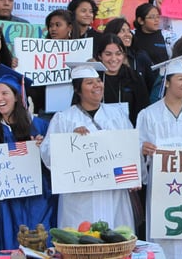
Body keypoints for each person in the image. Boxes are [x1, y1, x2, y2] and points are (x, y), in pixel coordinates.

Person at [40, 62, 135, 231]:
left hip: (113, 194)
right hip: (79, 198)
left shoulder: (116, 116)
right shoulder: (64, 119)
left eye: (98, 81)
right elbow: (48, 155)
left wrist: (133, 176)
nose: (97, 86)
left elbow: (130, 148)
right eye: (89, 83)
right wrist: (70, 140)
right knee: (82, 241)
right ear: (78, 90)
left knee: (116, 240)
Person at [136, 57, 182, 259]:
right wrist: (143, 149)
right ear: (167, 82)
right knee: (166, 228)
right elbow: (138, 144)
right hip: (163, 185)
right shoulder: (148, 114)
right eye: (180, 79)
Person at [0, 65, 57, 257]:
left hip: (40, 201)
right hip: (6, 204)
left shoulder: (39, 126)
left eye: (5, 93)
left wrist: (44, 149)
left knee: (40, 246)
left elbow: (55, 164)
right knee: (9, 245)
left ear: (16, 96)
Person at [95, 33, 149, 126]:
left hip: (129, 133)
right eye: (108, 54)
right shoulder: (93, 78)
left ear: (124, 55)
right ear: (100, 56)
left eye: (118, 54)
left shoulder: (134, 77)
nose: (113, 59)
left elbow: (143, 109)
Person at [103, 17, 156, 93]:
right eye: (122, 31)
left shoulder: (140, 56)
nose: (127, 34)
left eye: (129, 31)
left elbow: (152, 84)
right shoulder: (103, 58)